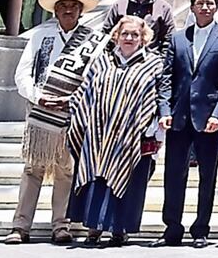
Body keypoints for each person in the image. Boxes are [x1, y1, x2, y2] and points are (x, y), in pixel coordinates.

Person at [6, 0, 101, 245]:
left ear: (81, 11)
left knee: (65, 171)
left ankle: (61, 225)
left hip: (71, 113)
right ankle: (20, 226)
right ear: (55, 10)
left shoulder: (93, 41)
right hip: (39, 113)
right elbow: (22, 73)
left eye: (73, 6)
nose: (68, 9)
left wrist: (69, 100)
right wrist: (38, 97)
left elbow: (95, 79)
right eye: (63, 5)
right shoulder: (40, 36)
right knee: (32, 169)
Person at [154, 0, 218, 248]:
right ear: (192, 7)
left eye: (210, 3)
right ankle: (172, 228)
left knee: (207, 175)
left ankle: (201, 228)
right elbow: (167, 77)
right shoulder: (178, 38)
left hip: (209, 118)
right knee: (173, 174)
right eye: (200, 3)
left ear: (216, 7)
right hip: (179, 117)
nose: (205, 7)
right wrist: (165, 110)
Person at [64, 16, 164, 246]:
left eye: (135, 35)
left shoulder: (154, 64)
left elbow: (158, 97)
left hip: (133, 135)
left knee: (127, 179)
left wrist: (152, 127)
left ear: (143, 38)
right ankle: (93, 227)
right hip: (98, 135)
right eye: (125, 34)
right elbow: (85, 91)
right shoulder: (101, 61)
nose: (129, 38)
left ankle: (119, 229)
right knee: (96, 177)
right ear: (116, 36)